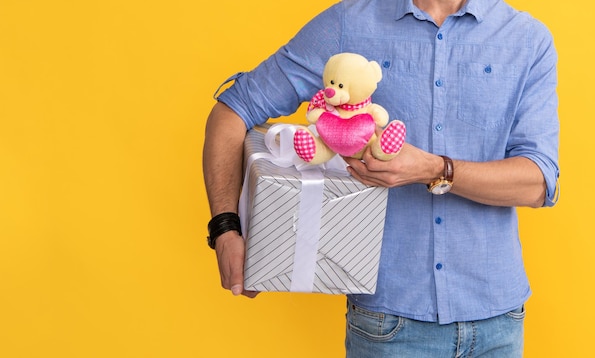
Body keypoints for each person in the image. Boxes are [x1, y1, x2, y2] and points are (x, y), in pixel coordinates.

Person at [203, 0, 560, 356]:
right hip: (388, 326)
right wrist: (225, 228)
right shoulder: (348, 23)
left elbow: (538, 182)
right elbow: (233, 111)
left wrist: (436, 169)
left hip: (498, 323)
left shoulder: (527, 39)